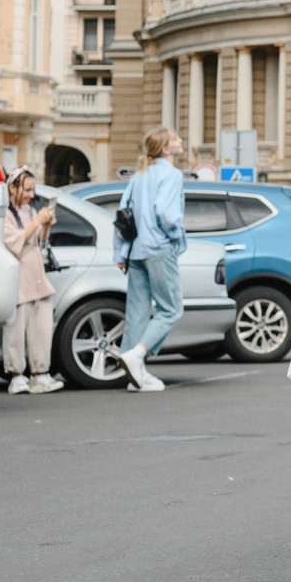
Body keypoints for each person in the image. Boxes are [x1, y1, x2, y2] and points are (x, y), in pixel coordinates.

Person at [115, 128, 188, 391]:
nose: (181, 141)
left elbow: (123, 215)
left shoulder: (139, 175)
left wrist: (121, 252)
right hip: (158, 248)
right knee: (171, 309)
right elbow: (167, 214)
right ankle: (137, 355)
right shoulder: (171, 174)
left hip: (135, 251)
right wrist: (176, 236)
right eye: (176, 139)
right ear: (166, 149)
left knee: (137, 312)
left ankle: (137, 377)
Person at [0, 168, 62, 394]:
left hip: (37, 278)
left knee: (42, 328)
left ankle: (40, 374)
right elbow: (15, 242)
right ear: (12, 188)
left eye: (32, 189)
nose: (30, 195)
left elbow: (37, 241)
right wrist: (37, 221)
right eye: (26, 189)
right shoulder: (5, 213)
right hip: (18, 279)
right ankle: (16, 376)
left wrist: (45, 225)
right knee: (15, 331)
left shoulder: (28, 210)